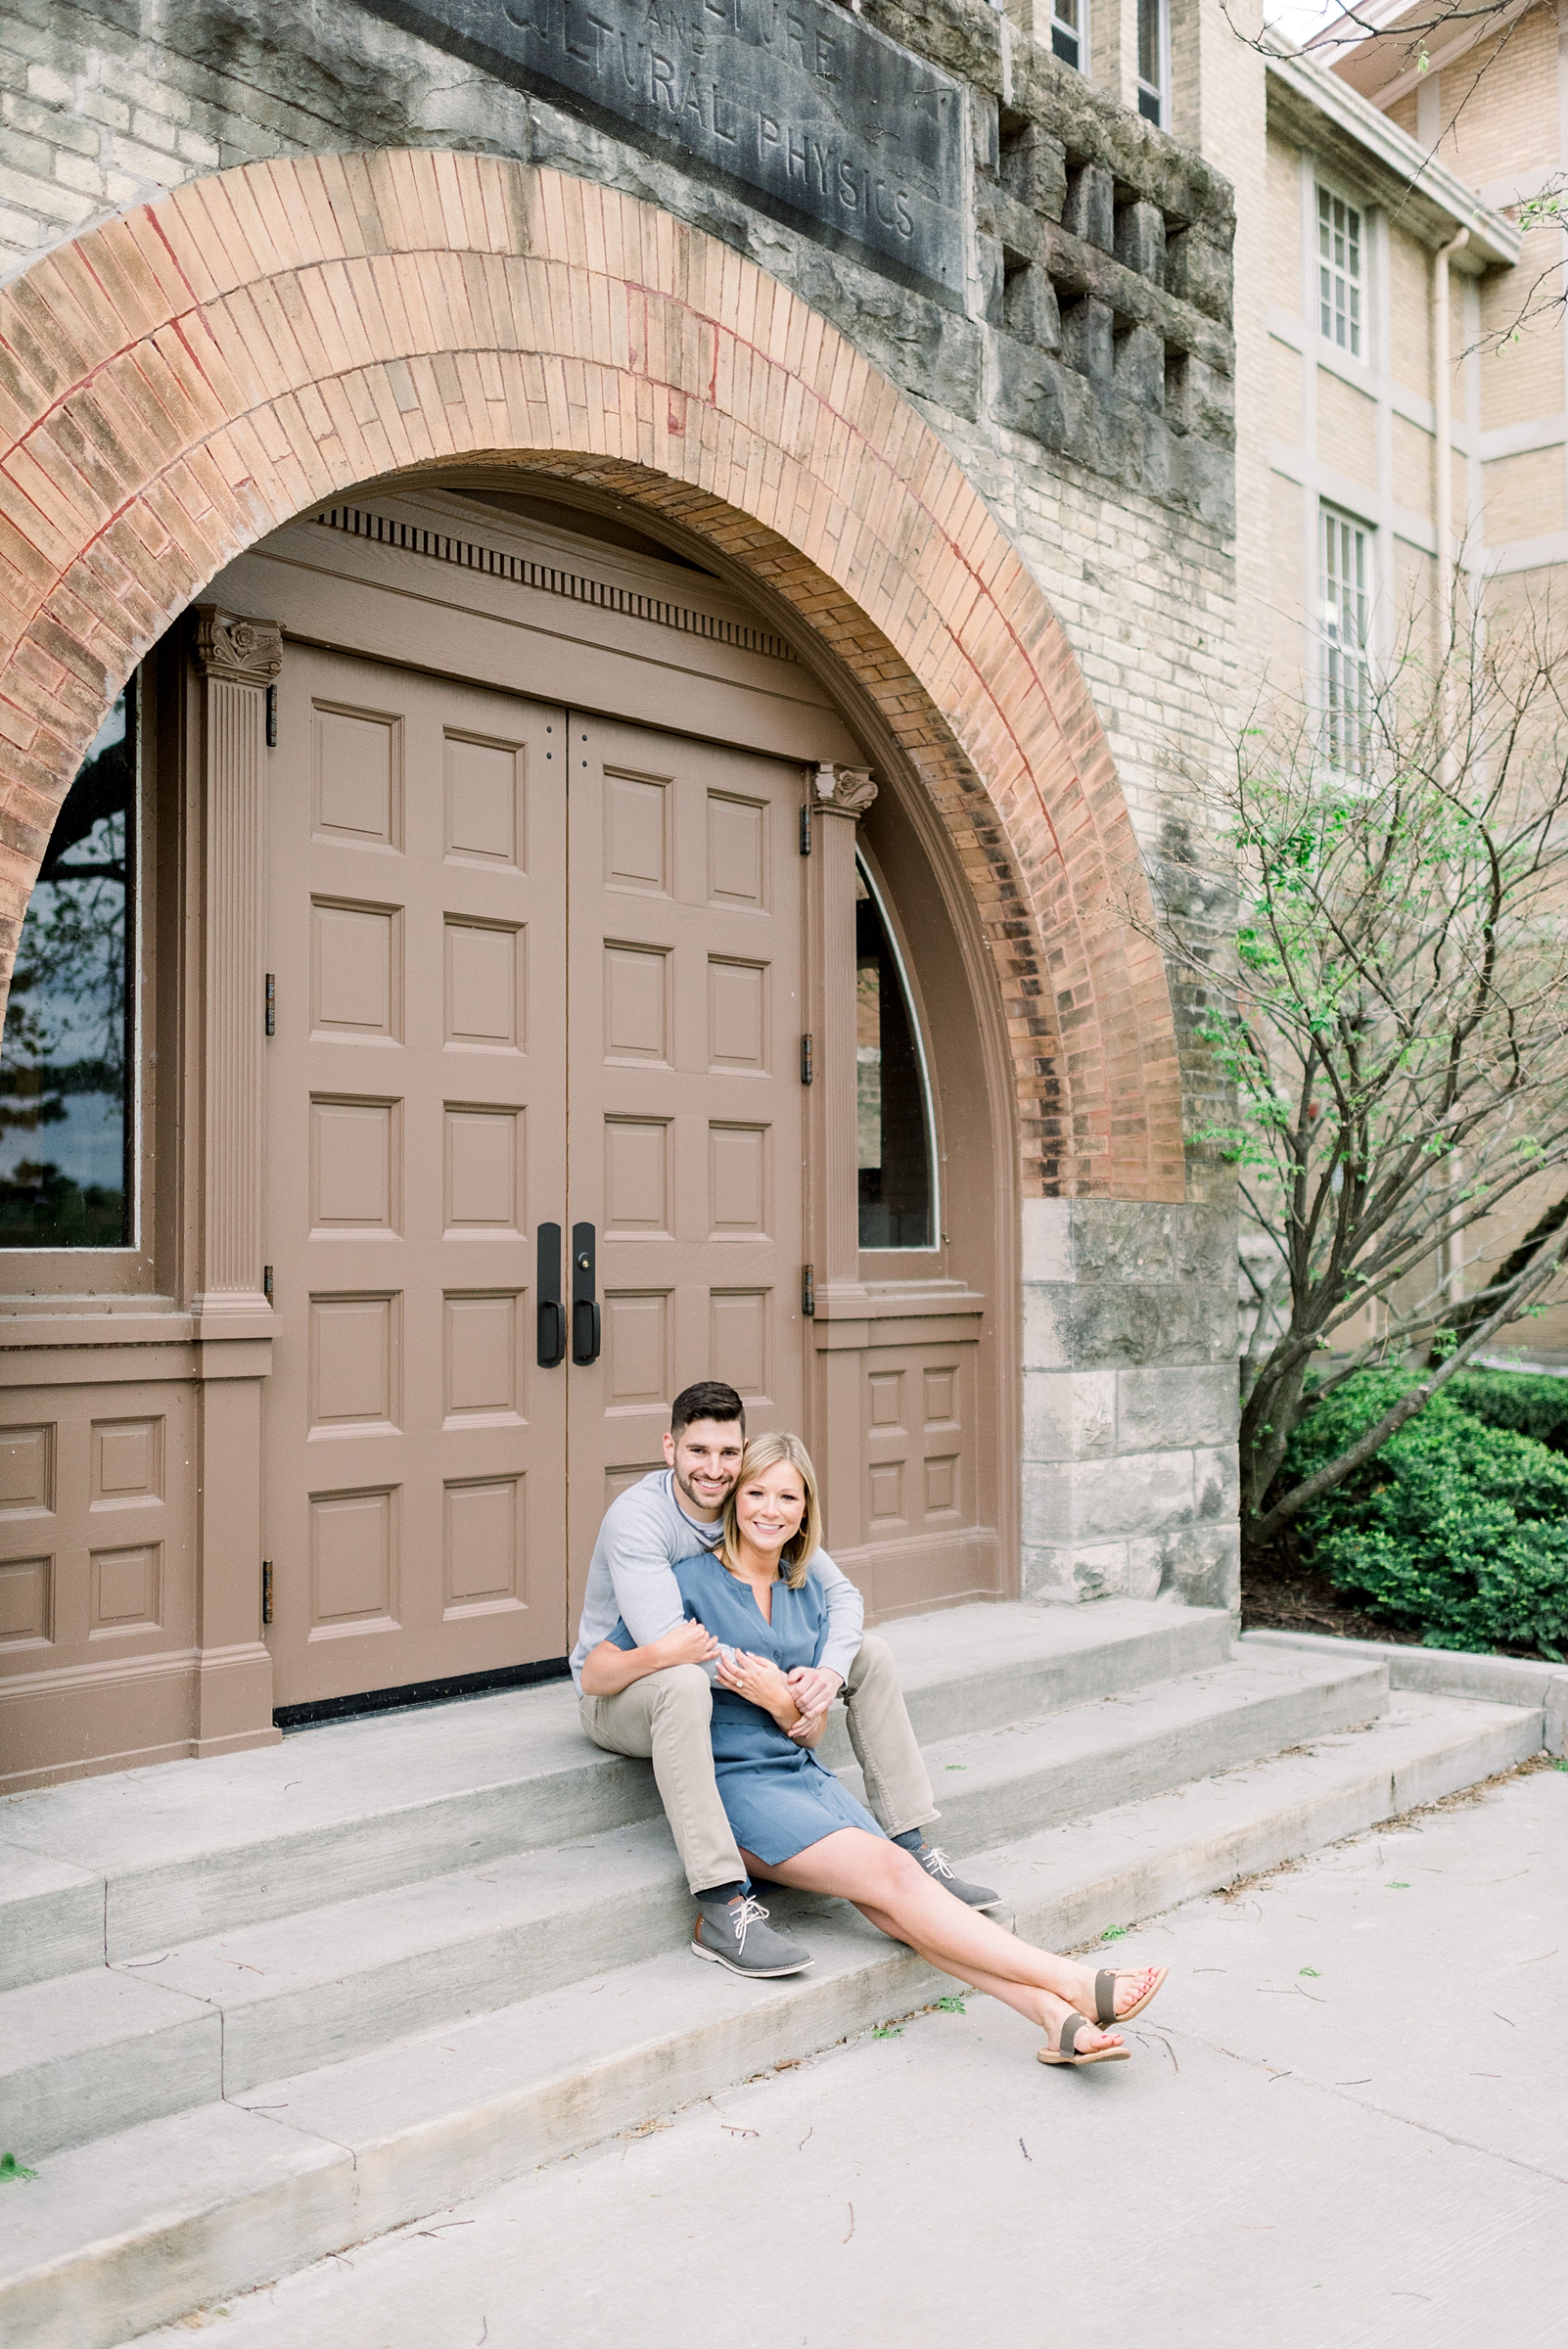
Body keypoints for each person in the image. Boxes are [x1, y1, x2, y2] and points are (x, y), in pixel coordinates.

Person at [582, 1431, 1168, 2067]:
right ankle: (1075, 1981)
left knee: (898, 1904)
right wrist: (665, 1656)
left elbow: (815, 1716)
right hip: (737, 1793)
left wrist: (796, 1707)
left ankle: (1054, 2019)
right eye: (755, 1493)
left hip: (801, 1775)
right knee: (895, 1877)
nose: (769, 1510)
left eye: (787, 1496)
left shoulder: (806, 1590)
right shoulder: (688, 1582)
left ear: (805, 1509)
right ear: (732, 1501)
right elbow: (603, 1665)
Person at [571, 1380, 1001, 1980]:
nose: (714, 1470)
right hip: (625, 1686)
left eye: (728, 1455)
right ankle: (720, 1902)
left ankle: (911, 1841)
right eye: (698, 1452)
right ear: (669, 1448)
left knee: (867, 1653)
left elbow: (840, 1593)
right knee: (684, 1685)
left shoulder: (748, 1504)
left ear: (744, 1451)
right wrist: (785, 1702)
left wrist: (825, 1674)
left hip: (712, 1681)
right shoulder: (640, 1522)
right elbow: (671, 1647)